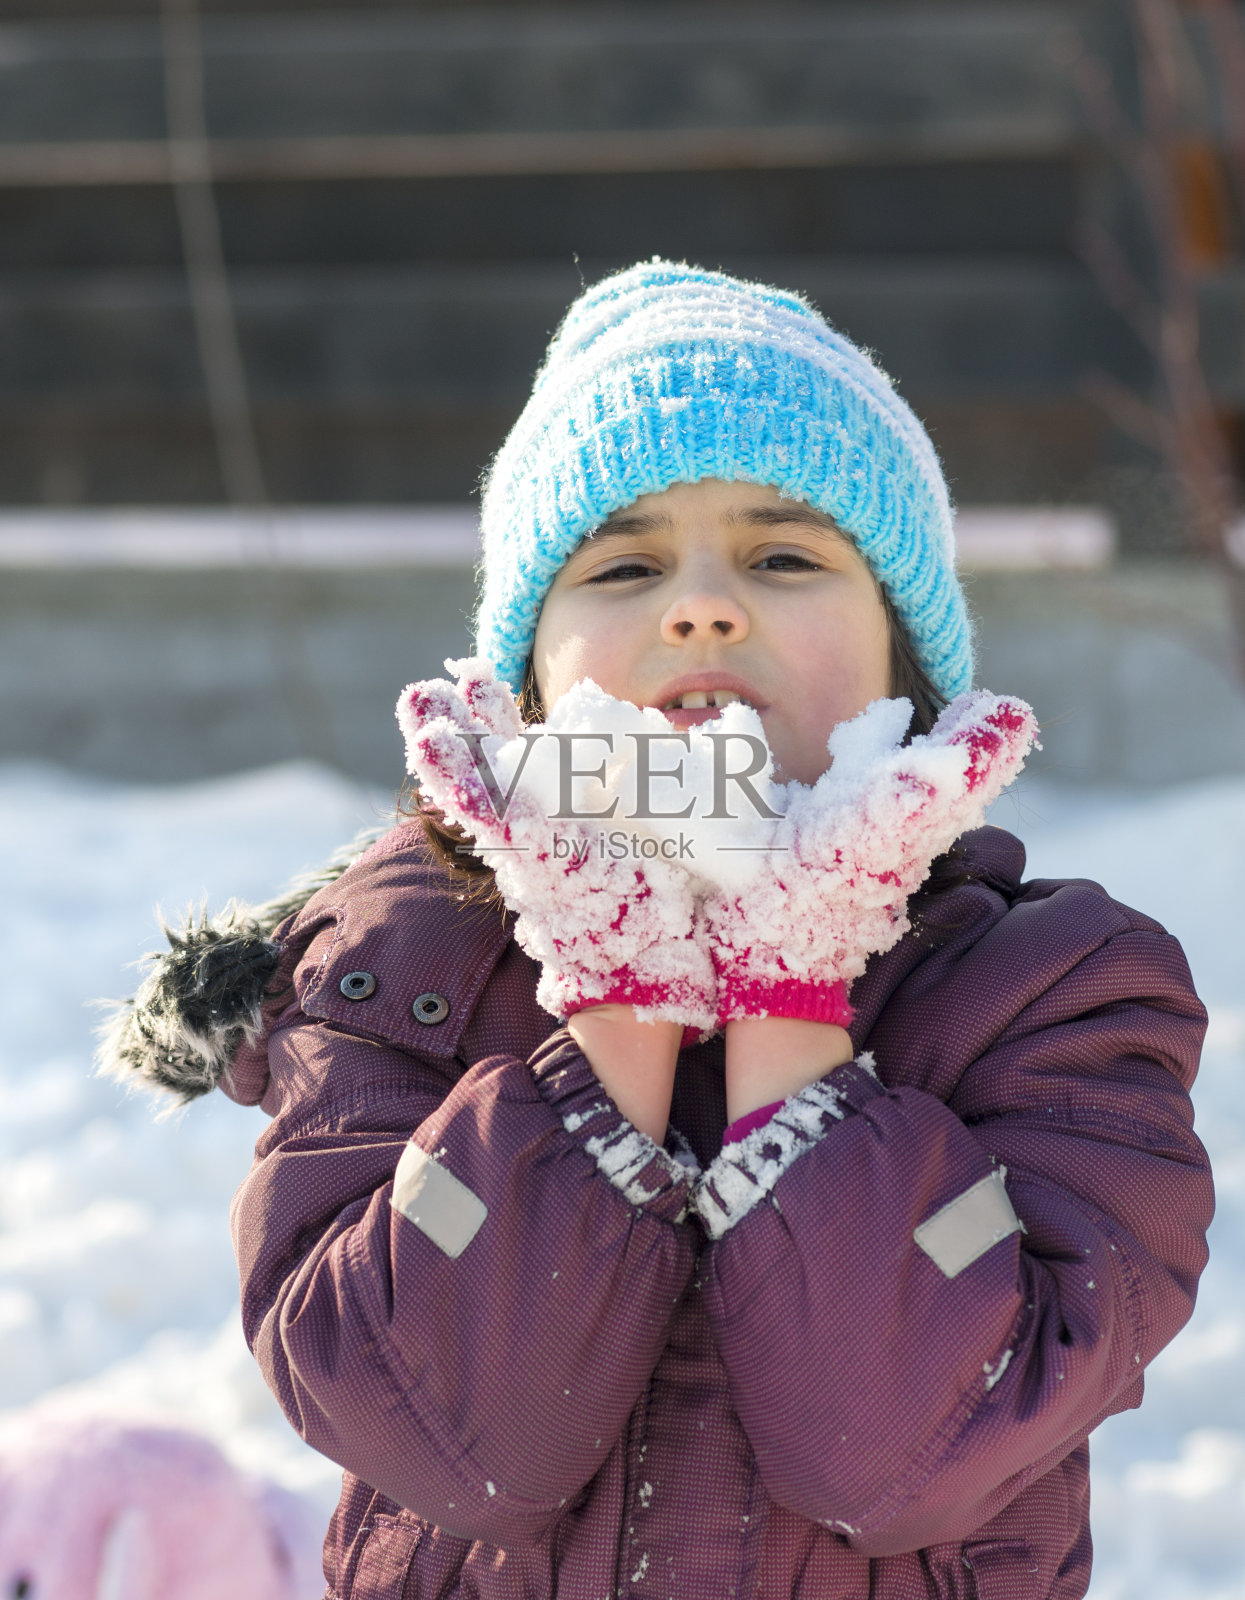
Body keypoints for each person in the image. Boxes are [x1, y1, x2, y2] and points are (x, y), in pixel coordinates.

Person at [103, 261, 1213, 1600]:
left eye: (783, 554)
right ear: (523, 677)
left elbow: (909, 1451)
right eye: (623, 562)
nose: (700, 606)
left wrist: (792, 994)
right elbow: (448, 1438)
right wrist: (618, 989)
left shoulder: (1056, 996)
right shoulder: (398, 967)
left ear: (904, 669)